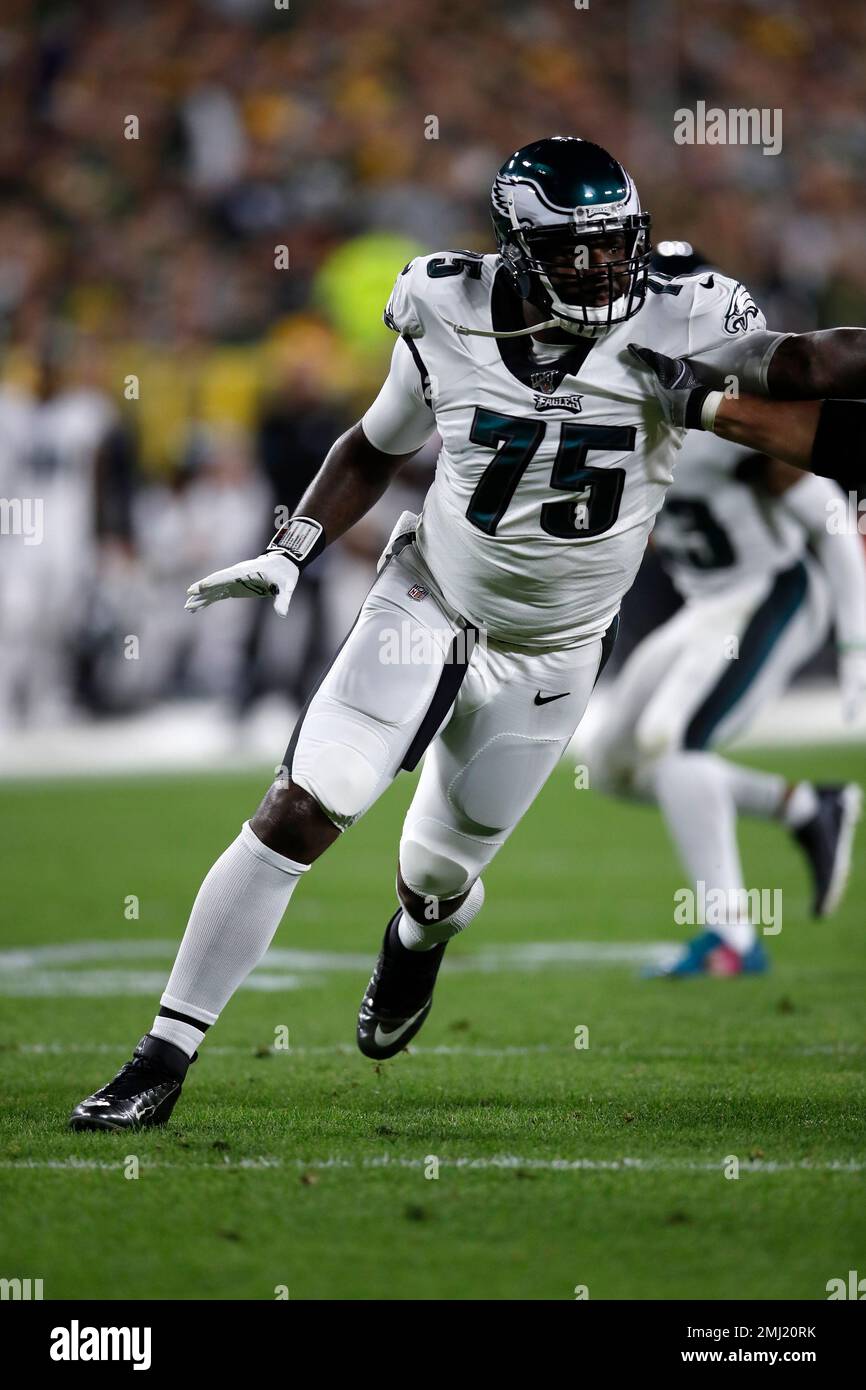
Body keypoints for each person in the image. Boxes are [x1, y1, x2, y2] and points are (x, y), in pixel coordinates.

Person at [69, 136, 866, 1130]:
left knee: (440, 875)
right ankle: (160, 1057)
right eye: (575, 250)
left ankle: (417, 933)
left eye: (615, 245)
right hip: (430, 598)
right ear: (517, 250)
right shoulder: (441, 306)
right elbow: (372, 442)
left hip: (559, 646)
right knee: (305, 805)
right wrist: (294, 546)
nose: (604, 268)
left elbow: (801, 365)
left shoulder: (682, 310)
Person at [585, 242, 865, 976]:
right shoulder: (616, 403)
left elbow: (830, 521)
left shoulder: (736, 417)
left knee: (672, 743)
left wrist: (855, 648)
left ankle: (733, 937)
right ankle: (807, 808)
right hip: (709, 603)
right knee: (610, 761)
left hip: (772, 589)